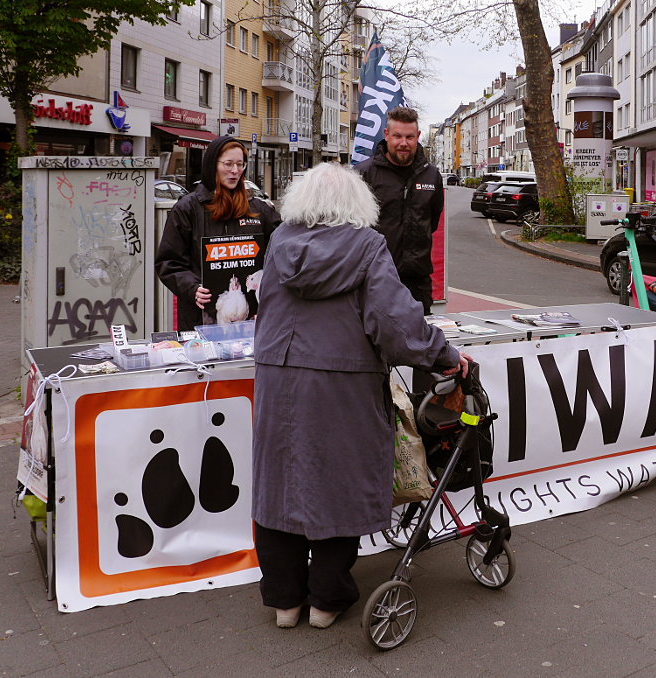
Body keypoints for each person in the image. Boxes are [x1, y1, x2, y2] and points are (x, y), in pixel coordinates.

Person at [251, 162, 468, 630]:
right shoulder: (367, 246)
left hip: (276, 376)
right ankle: (327, 601)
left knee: (279, 483)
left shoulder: (280, 242)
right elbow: (396, 325)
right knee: (337, 481)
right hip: (340, 379)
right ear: (358, 203)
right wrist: (444, 355)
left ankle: (285, 601)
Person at [155, 136, 281, 330]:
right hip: (199, 320)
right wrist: (192, 288)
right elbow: (169, 263)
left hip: (253, 322)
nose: (235, 171)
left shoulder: (259, 209)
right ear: (212, 165)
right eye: (228, 164)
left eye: (240, 164)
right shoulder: (187, 209)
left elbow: (282, 251)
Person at [355, 107, 444, 315]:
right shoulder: (363, 174)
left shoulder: (431, 176)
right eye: (397, 136)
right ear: (386, 135)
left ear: (418, 137)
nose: (403, 143)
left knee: (420, 343)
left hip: (417, 283)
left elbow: (431, 222)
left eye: (409, 137)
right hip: (374, 280)